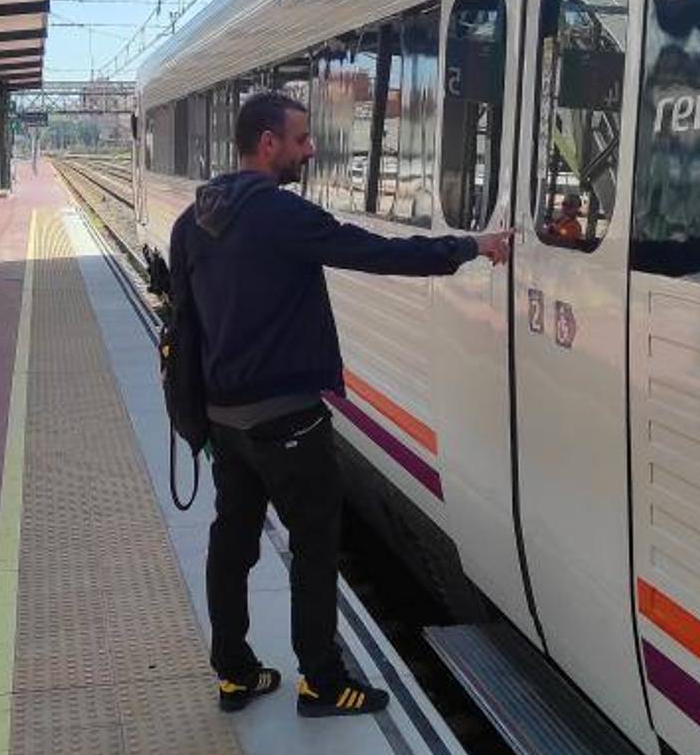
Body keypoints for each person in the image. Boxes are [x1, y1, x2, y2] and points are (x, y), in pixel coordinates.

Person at [169, 92, 510, 718]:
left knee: (233, 542)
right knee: (315, 545)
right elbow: (374, 253)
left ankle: (234, 674)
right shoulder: (278, 213)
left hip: (225, 416)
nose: (310, 149)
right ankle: (322, 682)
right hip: (287, 417)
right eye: (301, 139)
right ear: (267, 144)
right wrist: (470, 247)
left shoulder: (194, 219)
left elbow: (184, 317)